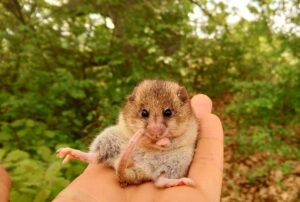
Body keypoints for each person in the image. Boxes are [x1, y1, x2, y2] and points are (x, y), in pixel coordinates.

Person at [53, 94, 224, 202]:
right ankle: (95, 156)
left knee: (184, 154)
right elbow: (124, 129)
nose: (155, 128)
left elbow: (187, 139)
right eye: (145, 114)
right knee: (113, 133)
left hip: (159, 160)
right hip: (132, 154)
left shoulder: (188, 119)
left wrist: (167, 142)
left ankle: (163, 178)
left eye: (167, 114)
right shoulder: (130, 114)